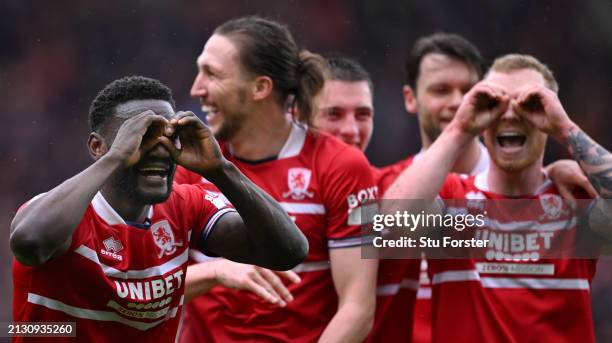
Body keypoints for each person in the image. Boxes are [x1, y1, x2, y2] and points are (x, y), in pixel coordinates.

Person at [10, 76, 308, 342]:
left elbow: (288, 252)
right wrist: (116, 157)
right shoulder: (64, 213)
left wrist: (220, 169)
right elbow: (29, 244)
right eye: (141, 136)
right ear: (98, 147)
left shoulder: (187, 205)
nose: (158, 148)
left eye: (168, 135)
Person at [176, 16, 378, 342]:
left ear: (260, 87)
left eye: (212, 74)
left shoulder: (346, 167)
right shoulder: (187, 165)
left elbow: (358, 308)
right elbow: (141, 284)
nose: (196, 88)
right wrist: (216, 271)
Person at [384, 53, 611, 342]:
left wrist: (565, 129)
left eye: (531, 104)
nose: (510, 114)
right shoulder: (453, 198)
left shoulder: (572, 202)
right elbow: (387, 227)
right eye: (494, 103)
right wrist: (459, 129)